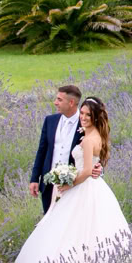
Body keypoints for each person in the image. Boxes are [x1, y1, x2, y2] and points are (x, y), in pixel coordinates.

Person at [10, 96, 131, 263]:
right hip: (96, 188)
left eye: (87, 115)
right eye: (82, 114)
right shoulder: (98, 136)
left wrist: (68, 184)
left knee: (68, 231)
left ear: (95, 117)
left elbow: (85, 171)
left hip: (83, 188)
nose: (83, 118)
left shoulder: (86, 140)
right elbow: (93, 164)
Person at [29, 83, 99, 213]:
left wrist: (99, 167)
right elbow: (42, 151)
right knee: (48, 221)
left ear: (71, 102)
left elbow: (98, 149)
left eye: (59, 100)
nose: (55, 102)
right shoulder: (50, 121)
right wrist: (34, 178)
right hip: (49, 184)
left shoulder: (86, 122)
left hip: (74, 185)